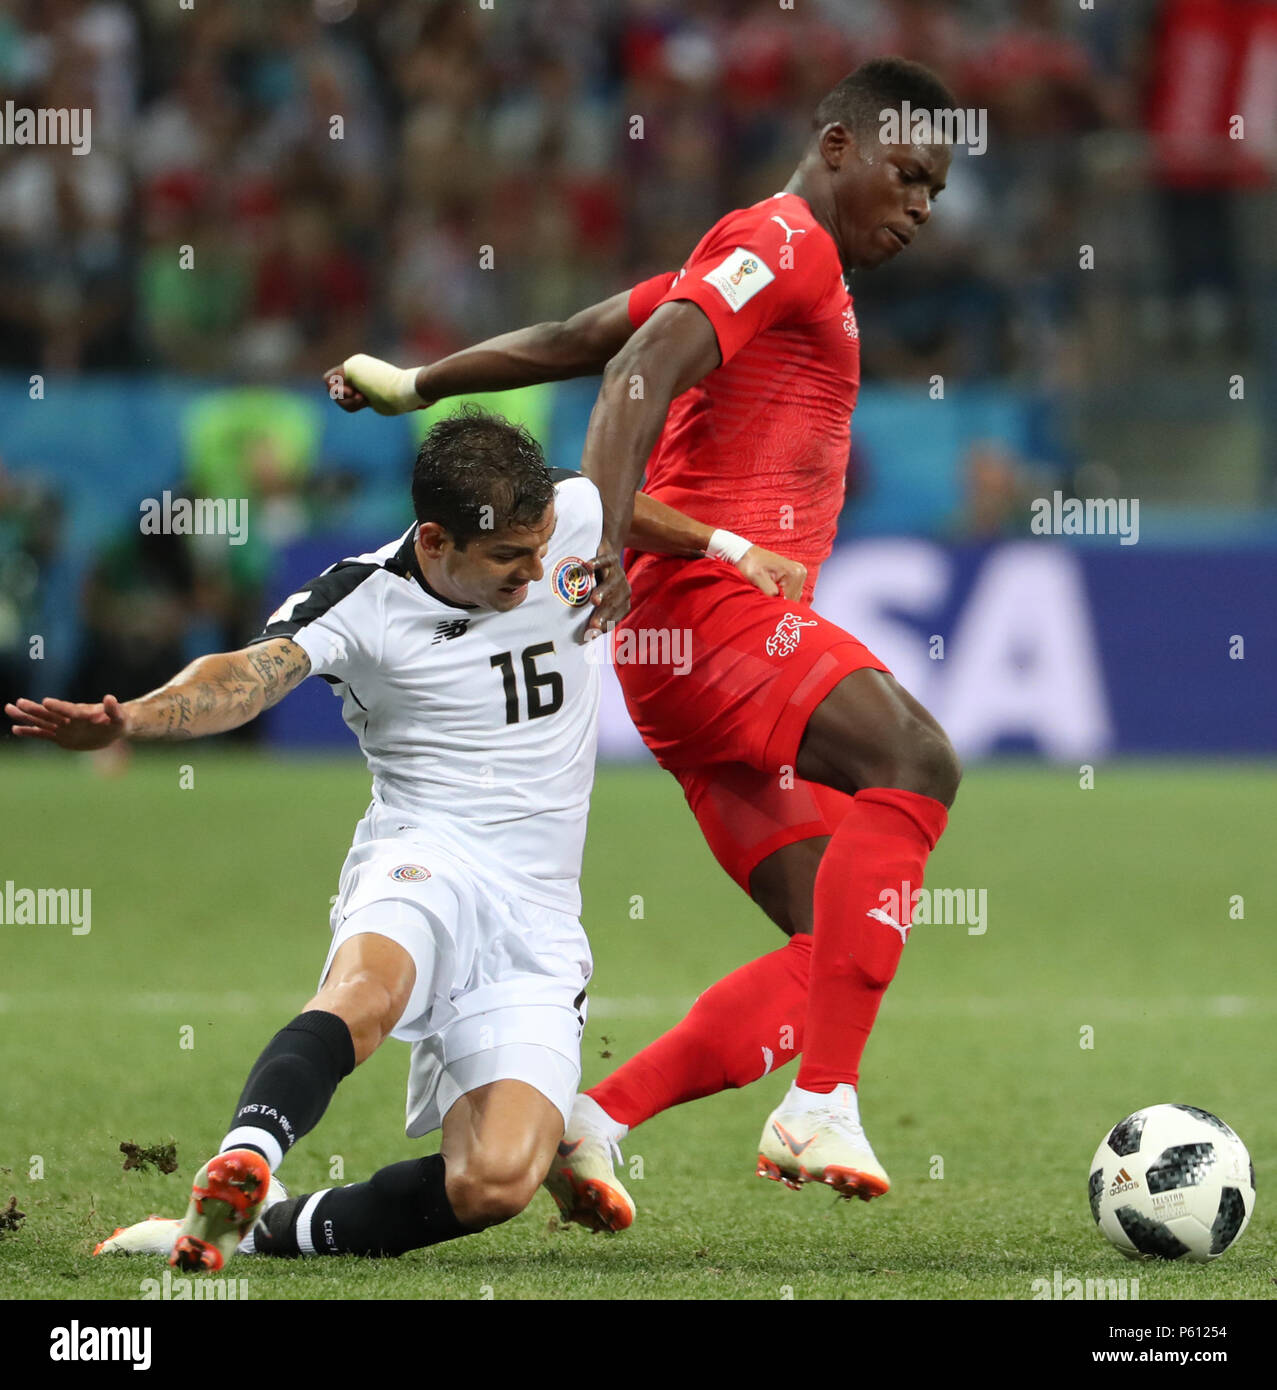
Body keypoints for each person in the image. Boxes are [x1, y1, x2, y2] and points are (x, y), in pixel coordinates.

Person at [325, 56, 964, 1232]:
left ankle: (597, 1114)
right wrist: (607, 539)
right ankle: (818, 1098)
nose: (921, 208)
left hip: (679, 650)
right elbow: (630, 373)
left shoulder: (751, 255)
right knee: (917, 763)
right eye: (908, 175)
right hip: (709, 621)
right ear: (835, 147)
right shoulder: (787, 242)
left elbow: (578, 334)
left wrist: (422, 380)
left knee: (834, 941)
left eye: (934, 189)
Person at [10, 406, 801, 1267]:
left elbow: (609, 504)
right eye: (508, 558)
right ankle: (245, 1155)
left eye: (541, 548)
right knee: (368, 996)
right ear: (433, 541)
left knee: (494, 1181)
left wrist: (724, 548)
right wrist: (133, 719)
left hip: (538, 913)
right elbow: (244, 677)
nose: (538, 571)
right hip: (424, 852)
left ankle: (268, 1225)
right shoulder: (359, 600)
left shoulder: (560, 516)